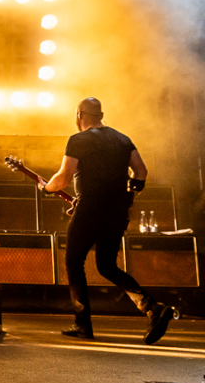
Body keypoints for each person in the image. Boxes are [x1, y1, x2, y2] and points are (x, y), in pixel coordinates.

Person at [40, 97, 174, 344]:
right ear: (101, 114)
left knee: (73, 262)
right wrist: (129, 198)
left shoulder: (78, 140)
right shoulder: (123, 139)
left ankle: (83, 325)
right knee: (106, 265)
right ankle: (152, 308)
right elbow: (141, 171)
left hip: (90, 209)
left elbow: (63, 178)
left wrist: (46, 187)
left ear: (79, 115)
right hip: (116, 212)